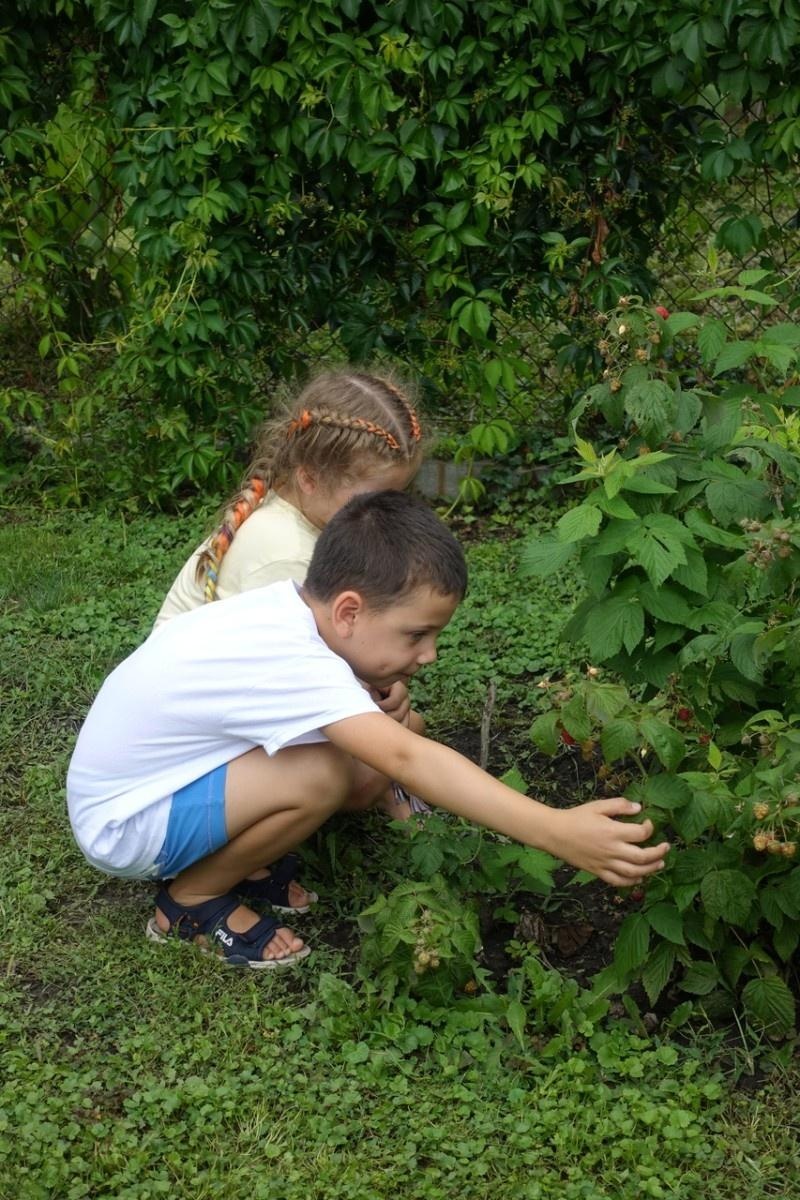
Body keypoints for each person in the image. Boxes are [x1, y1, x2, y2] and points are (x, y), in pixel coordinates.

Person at [66, 491, 670, 970]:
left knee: (377, 738)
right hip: (126, 822)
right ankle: (190, 901)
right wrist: (555, 829)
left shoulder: (289, 608)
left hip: (159, 784)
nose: (429, 654)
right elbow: (408, 759)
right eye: (416, 634)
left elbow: (396, 741)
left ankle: (243, 856)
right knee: (328, 771)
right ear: (350, 610)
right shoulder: (293, 660)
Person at [154, 366, 428, 831]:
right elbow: (306, 671)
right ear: (310, 478)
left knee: (403, 728)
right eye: (373, 499)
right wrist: (372, 693)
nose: (385, 515)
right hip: (187, 757)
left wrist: (376, 685)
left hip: (225, 711)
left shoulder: (304, 518)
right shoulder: (284, 557)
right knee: (384, 754)